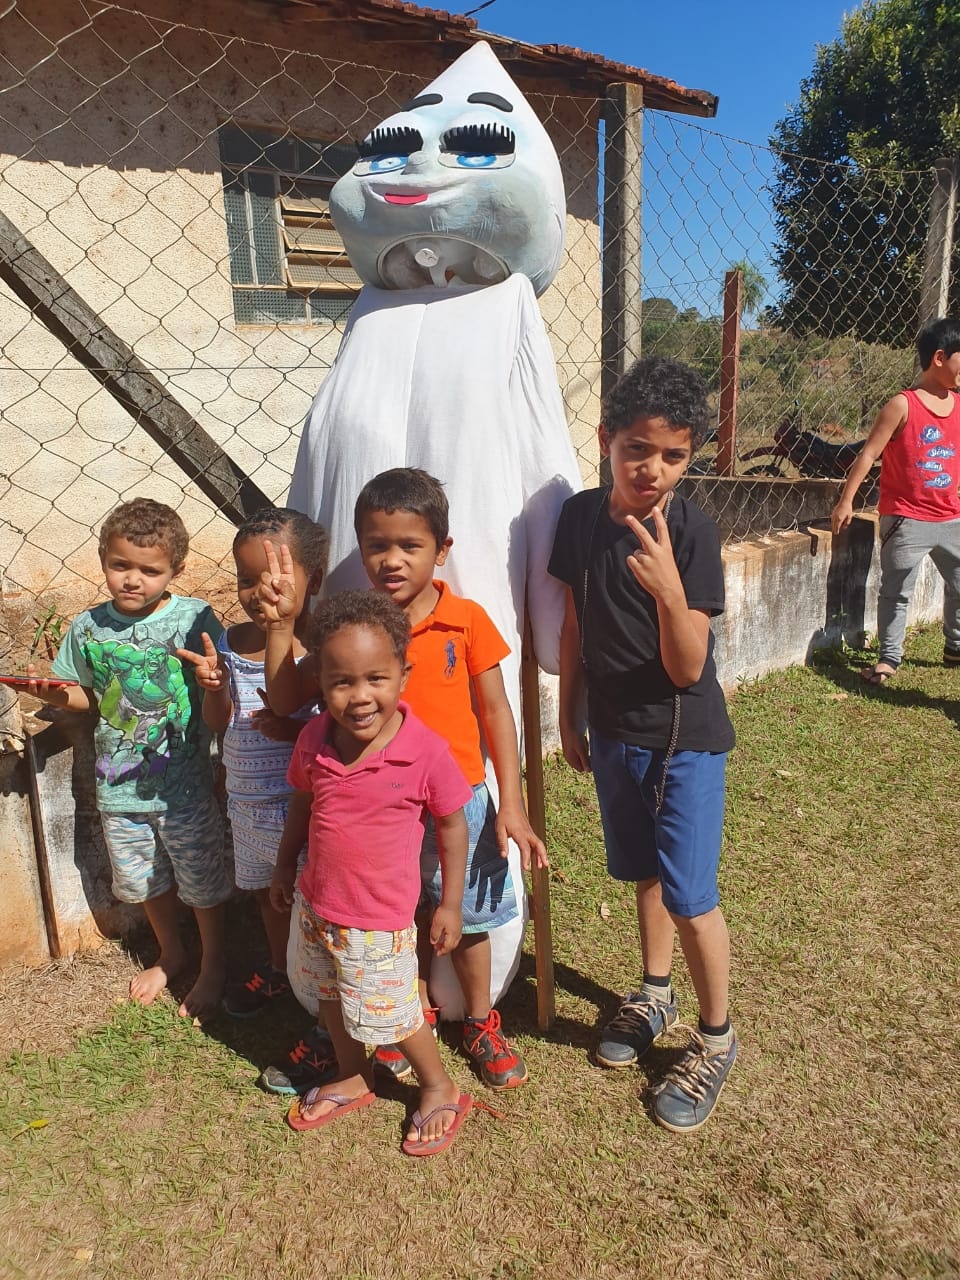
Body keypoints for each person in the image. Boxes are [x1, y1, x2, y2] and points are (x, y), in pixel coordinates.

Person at [264, 468, 546, 1090]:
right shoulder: (347, 632)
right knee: (393, 922)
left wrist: (512, 803)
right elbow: (286, 698)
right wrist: (282, 626)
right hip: (376, 810)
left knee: (468, 918)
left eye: (409, 545)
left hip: (460, 802)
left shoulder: (466, 621)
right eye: (376, 545)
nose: (391, 560)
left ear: (442, 550)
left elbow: (497, 711)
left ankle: (479, 1019)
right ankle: (401, 1023)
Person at [549, 355, 737, 1134]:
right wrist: (568, 712)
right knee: (645, 875)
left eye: (673, 455)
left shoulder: (691, 532)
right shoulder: (579, 519)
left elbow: (688, 667)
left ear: (689, 458)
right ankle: (654, 993)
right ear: (606, 440)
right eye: (637, 449)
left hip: (682, 740)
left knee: (691, 898)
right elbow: (572, 622)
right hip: (613, 733)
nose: (652, 469)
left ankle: (716, 1040)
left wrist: (667, 589)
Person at [270, 590, 474, 1156]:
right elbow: (302, 804)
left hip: (377, 920)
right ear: (320, 683)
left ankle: (438, 1086)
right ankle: (354, 1074)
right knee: (330, 994)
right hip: (317, 905)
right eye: (341, 682)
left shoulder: (425, 752)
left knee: (394, 1013)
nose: (360, 697)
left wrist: (451, 904)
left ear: (403, 676)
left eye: (376, 679)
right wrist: (285, 865)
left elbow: (453, 825)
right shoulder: (315, 739)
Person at [25, 498, 231, 1017]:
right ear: (103, 559)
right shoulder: (88, 628)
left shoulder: (194, 619)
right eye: (121, 565)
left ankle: (216, 962)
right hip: (119, 789)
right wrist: (54, 695)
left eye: (149, 570)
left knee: (202, 881)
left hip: (185, 787)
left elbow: (220, 692)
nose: (133, 580)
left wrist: (215, 682)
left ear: (175, 570)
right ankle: (171, 953)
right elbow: (86, 696)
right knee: (143, 880)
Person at [177, 508, 327, 1028]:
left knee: (311, 898)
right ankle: (281, 967)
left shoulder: (320, 649)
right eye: (246, 580)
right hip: (246, 801)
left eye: (275, 580)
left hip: (299, 805)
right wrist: (213, 690)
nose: (259, 593)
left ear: (315, 580)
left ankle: (322, 989)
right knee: (267, 894)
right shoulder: (231, 641)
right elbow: (219, 722)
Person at [831, 316, 960, 684]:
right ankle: (889, 658)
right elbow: (869, 454)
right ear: (939, 358)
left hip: (951, 517)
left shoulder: (958, 405)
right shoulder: (902, 405)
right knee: (897, 591)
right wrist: (846, 501)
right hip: (906, 518)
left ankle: (955, 645)